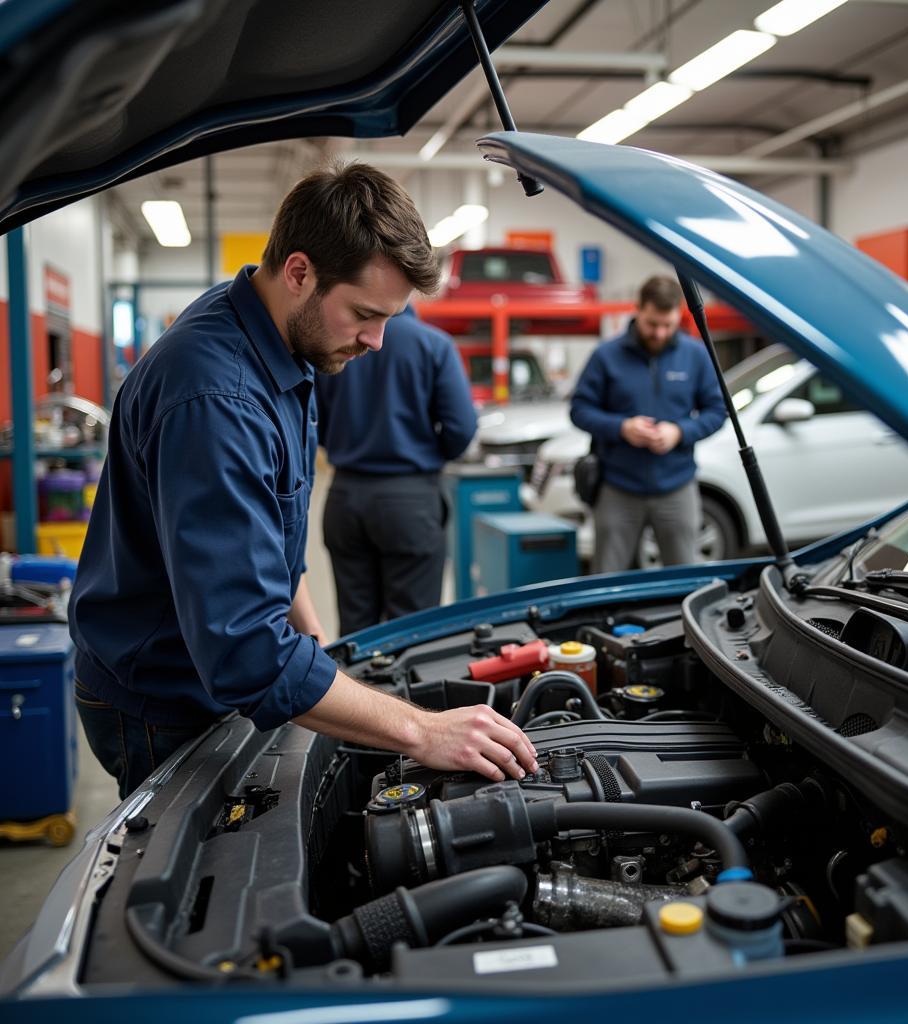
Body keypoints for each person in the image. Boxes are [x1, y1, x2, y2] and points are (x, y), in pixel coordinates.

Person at [69, 164, 536, 798]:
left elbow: (274, 539)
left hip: (201, 662)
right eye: (365, 314)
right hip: (160, 695)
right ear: (298, 272)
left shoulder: (286, 338)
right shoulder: (218, 399)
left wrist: (318, 651)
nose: (376, 341)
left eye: (390, 320)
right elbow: (246, 653)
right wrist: (422, 731)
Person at [315, 307, 476, 635]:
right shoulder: (434, 345)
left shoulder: (336, 343)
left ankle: (358, 686)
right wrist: (428, 452)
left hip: (345, 496)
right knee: (412, 631)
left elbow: (312, 419)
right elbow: (461, 426)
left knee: (356, 627)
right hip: (410, 499)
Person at [570, 275, 726, 574]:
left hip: (677, 487)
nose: (659, 333)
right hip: (618, 488)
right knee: (607, 581)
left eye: (668, 325)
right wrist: (621, 428)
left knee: (684, 581)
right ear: (638, 309)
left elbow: (716, 411)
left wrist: (679, 432)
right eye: (652, 324)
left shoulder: (694, 355)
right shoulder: (606, 356)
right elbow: (579, 410)